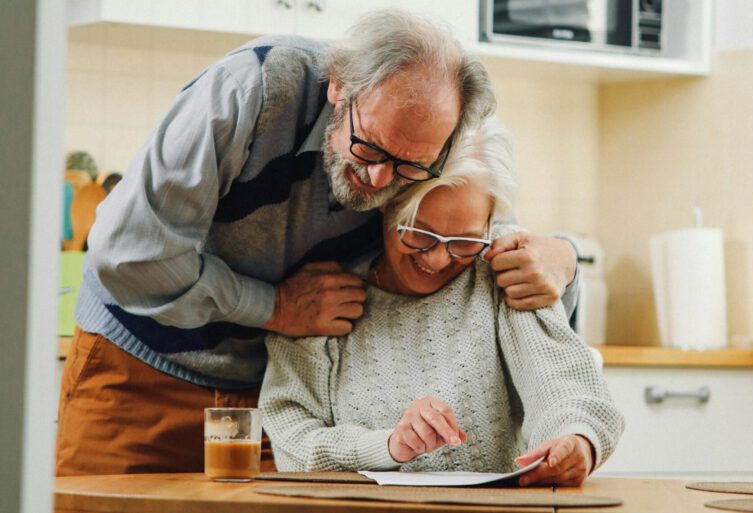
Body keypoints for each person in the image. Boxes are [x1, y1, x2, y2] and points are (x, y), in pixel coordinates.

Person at [56, 10, 580, 476]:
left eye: (409, 167)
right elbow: (130, 256)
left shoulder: (435, 136)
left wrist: (564, 257)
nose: (378, 180)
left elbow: (486, 240)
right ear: (338, 85)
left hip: (272, 399)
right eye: (367, 146)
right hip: (139, 374)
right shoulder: (252, 88)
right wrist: (275, 306)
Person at [260, 119, 624, 485]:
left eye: (464, 242)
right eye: (418, 233)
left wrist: (578, 441)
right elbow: (292, 442)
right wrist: (387, 446)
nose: (436, 260)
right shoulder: (322, 300)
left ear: (489, 225)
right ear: (385, 206)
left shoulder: (502, 272)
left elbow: (567, 388)